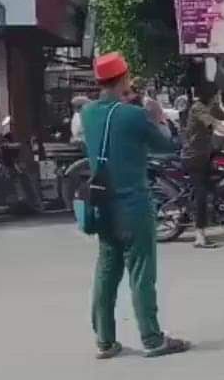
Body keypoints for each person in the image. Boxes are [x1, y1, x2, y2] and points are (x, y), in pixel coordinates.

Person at [80, 52, 189, 359]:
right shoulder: (133, 115)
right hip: (133, 204)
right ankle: (152, 339)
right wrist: (159, 118)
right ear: (124, 78)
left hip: (102, 204)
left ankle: (105, 341)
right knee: (141, 271)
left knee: (106, 270)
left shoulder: (88, 113)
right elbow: (167, 145)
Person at [182, 82, 224, 248]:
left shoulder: (212, 106)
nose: (219, 96)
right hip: (195, 156)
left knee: (223, 176)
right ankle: (199, 236)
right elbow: (216, 124)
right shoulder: (199, 108)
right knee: (202, 193)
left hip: (207, 153)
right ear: (210, 95)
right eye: (217, 93)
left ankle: (217, 213)